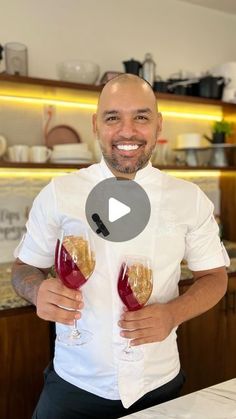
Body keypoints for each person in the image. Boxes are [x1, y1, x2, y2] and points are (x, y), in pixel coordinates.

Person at [11, 74, 229, 419]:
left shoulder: (189, 199)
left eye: (141, 117)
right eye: (113, 118)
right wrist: (37, 291)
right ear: (96, 125)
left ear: (159, 124)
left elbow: (216, 276)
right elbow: (24, 268)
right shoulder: (59, 193)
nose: (127, 131)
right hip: (73, 387)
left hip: (159, 386)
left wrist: (173, 313)